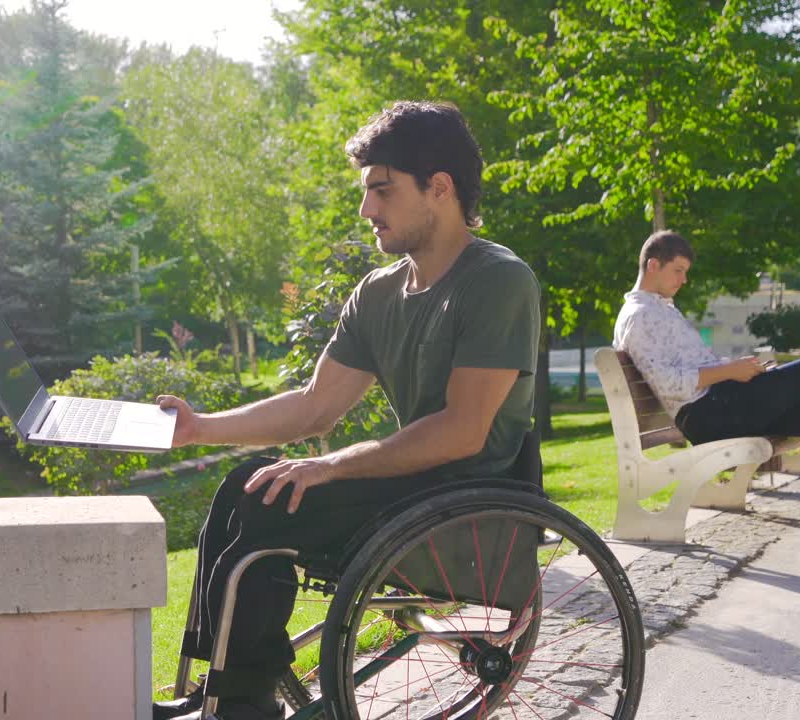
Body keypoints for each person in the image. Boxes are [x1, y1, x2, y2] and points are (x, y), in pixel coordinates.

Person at [151, 101, 540, 720]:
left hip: (467, 501)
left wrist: (330, 467)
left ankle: (242, 702)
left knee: (269, 503)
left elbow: (464, 431)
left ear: (439, 188)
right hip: (410, 486)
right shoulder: (380, 292)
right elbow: (315, 406)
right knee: (245, 484)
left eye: (381, 191)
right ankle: (221, 684)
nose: (366, 211)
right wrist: (201, 428)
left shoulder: (499, 281)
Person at [614, 229, 800, 550]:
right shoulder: (640, 316)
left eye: (685, 272)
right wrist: (730, 371)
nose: (684, 280)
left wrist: (738, 369)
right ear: (653, 265)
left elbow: (693, 365)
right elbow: (668, 383)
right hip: (708, 415)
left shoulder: (660, 309)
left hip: (722, 403)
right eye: (678, 270)